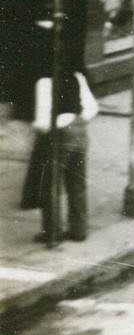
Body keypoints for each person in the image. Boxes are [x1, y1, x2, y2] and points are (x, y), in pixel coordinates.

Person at [21, 26, 97, 244]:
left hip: (59, 135)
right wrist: (77, 119)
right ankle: (79, 229)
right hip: (81, 131)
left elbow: (44, 121)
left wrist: (37, 128)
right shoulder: (77, 76)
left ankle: (52, 232)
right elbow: (91, 107)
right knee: (77, 183)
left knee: (50, 185)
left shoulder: (44, 82)